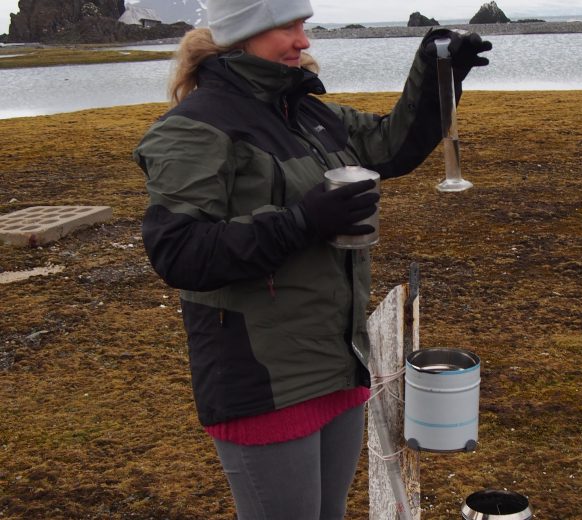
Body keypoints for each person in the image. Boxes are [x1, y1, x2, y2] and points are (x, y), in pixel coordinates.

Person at [133, 0, 491, 518]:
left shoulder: (306, 113)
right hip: (261, 379)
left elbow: (391, 147)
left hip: (336, 362)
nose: (304, 41)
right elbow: (179, 251)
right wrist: (302, 221)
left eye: (303, 25)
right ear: (242, 34)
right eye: (286, 27)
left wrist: (439, 75)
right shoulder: (194, 127)